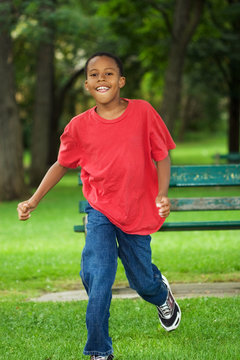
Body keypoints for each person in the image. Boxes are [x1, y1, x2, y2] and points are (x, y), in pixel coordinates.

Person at [17, 52, 181, 360]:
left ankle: (161, 294)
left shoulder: (144, 112)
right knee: (97, 274)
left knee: (142, 279)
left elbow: (161, 155)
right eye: (94, 74)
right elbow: (61, 164)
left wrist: (161, 193)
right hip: (100, 209)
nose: (101, 79)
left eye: (108, 74)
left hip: (136, 211)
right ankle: (99, 351)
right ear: (86, 84)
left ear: (121, 82)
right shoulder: (79, 126)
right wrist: (33, 200)